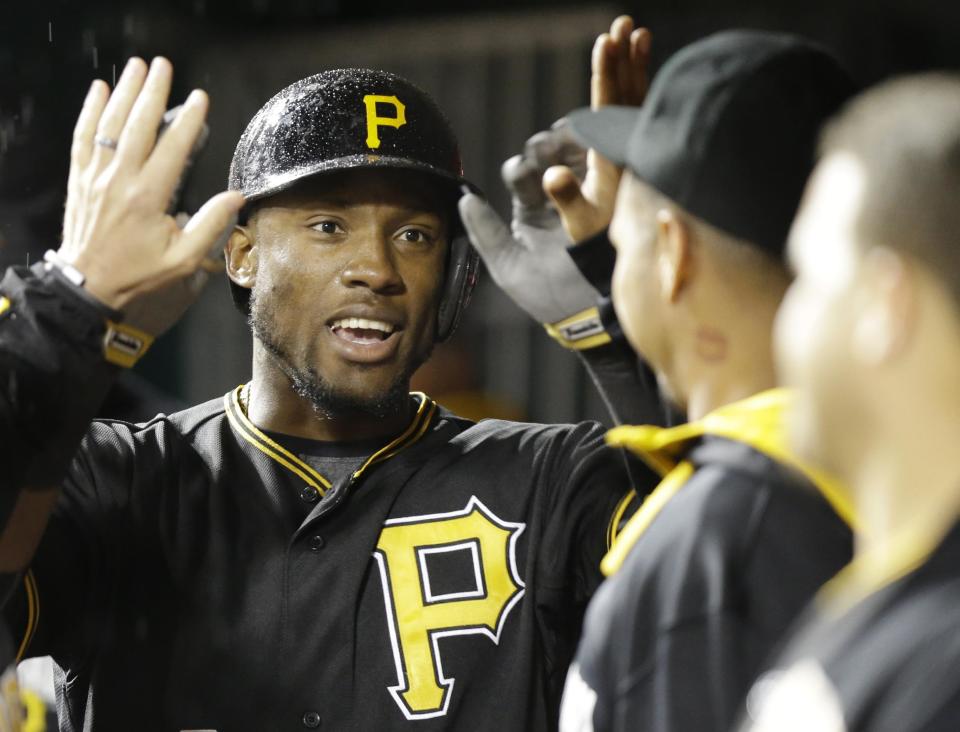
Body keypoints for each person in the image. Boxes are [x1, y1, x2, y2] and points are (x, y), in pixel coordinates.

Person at [0, 56, 652, 730]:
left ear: (455, 276)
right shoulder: (120, 479)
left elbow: (738, 580)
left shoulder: (556, 482)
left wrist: (627, 336)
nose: (376, 268)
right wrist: (65, 316)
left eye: (414, 235)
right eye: (328, 226)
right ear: (242, 255)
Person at [462, 28, 859, 732]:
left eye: (625, 234)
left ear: (673, 253)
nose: (610, 249)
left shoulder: (712, 548)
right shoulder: (873, 471)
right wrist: (617, 324)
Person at [740, 74, 960, 732]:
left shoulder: (942, 658)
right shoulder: (883, 610)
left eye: (806, 277)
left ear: (884, 304)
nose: (784, 318)